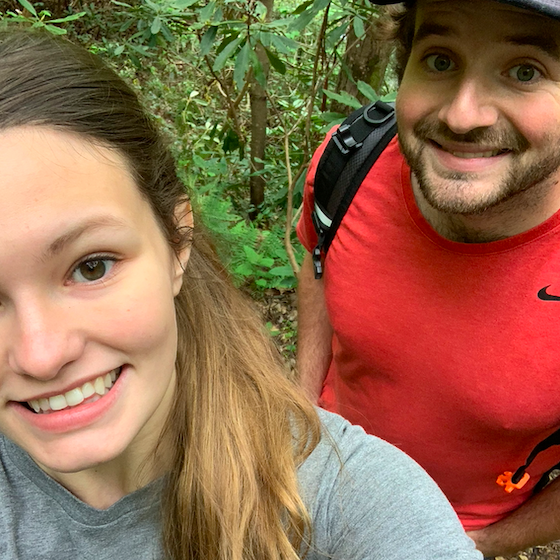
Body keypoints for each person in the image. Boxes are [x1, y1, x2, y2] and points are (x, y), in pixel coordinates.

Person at [0, 28, 482, 560]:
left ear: (177, 241)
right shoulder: (345, 171)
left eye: (92, 267)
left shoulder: (354, 502)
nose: (40, 355)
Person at [297, 0, 560, 557]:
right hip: (319, 485)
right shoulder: (352, 164)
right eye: (440, 60)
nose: (464, 116)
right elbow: (319, 265)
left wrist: (472, 543)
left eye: (525, 71)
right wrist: (297, 424)